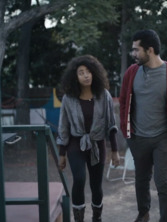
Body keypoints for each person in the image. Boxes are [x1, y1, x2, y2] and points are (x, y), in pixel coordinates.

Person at [119, 29, 167, 222]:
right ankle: (143, 214)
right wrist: (126, 131)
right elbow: (124, 101)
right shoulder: (132, 73)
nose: (133, 54)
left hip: (164, 138)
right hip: (138, 138)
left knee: (164, 183)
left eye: (136, 50)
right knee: (141, 180)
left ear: (150, 50)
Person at [57, 55, 120, 222]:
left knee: (96, 184)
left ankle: (96, 218)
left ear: (95, 74)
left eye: (89, 72)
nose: (86, 76)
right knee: (79, 179)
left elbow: (111, 125)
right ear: (75, 77)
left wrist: (115, 151)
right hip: (75, 144)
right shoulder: (68, 98)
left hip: (97, 145)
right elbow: (63, 127)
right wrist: (62, 154)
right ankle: (79, 219)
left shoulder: (104, 95)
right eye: (81, 73)